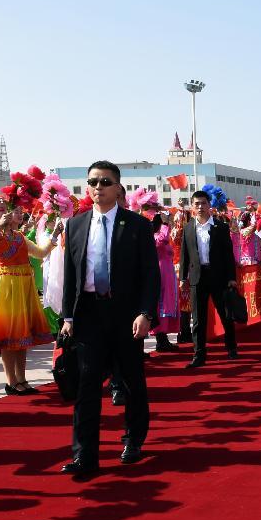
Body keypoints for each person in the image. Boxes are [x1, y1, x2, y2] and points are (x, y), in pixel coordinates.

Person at [60, 161, 160, 475]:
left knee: (131, 381)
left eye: (105, 182)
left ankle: (133, 439)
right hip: (88, 314)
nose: (99, 187)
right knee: (87, 385)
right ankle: (84, 456)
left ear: (118, 188)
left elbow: (150, 275)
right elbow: (70, 277)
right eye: (93, 182)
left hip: (126, 315)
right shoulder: (75, 225)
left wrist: (146, 313)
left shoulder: (137, 225)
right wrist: (68, 317)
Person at [0, 209, 61, 394]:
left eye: (17, 211)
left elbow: (40, 253)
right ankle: (11, 381)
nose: (16, 214)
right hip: (7, 287)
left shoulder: (20, 236)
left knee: (22, 335)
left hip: (24, 285)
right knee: (9, 336)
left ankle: (22, 379)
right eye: (9, 211)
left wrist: (54, 234)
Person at [179, 190, 238, 368]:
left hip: (218, 277)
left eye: (203, 203)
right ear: (192, 206)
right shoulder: (188, 228)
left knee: (225, 314)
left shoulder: (220, 227)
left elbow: (228, 255)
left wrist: (231, 278)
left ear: (209, 205)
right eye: (196, 204)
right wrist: (183, 278)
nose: (200, 207)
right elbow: (184, 255)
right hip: (198, 277)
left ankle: (231, 347)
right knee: (198, 319)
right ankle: (199, 354)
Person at [151, 213, 180, 352]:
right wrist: (165, 224)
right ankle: (160, 339)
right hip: (160, 274)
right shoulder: (154, 237)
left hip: (168, 274)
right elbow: (161, 240)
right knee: (161, 305)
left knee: (167, 303)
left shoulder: (162, 235)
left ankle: (163, 338)